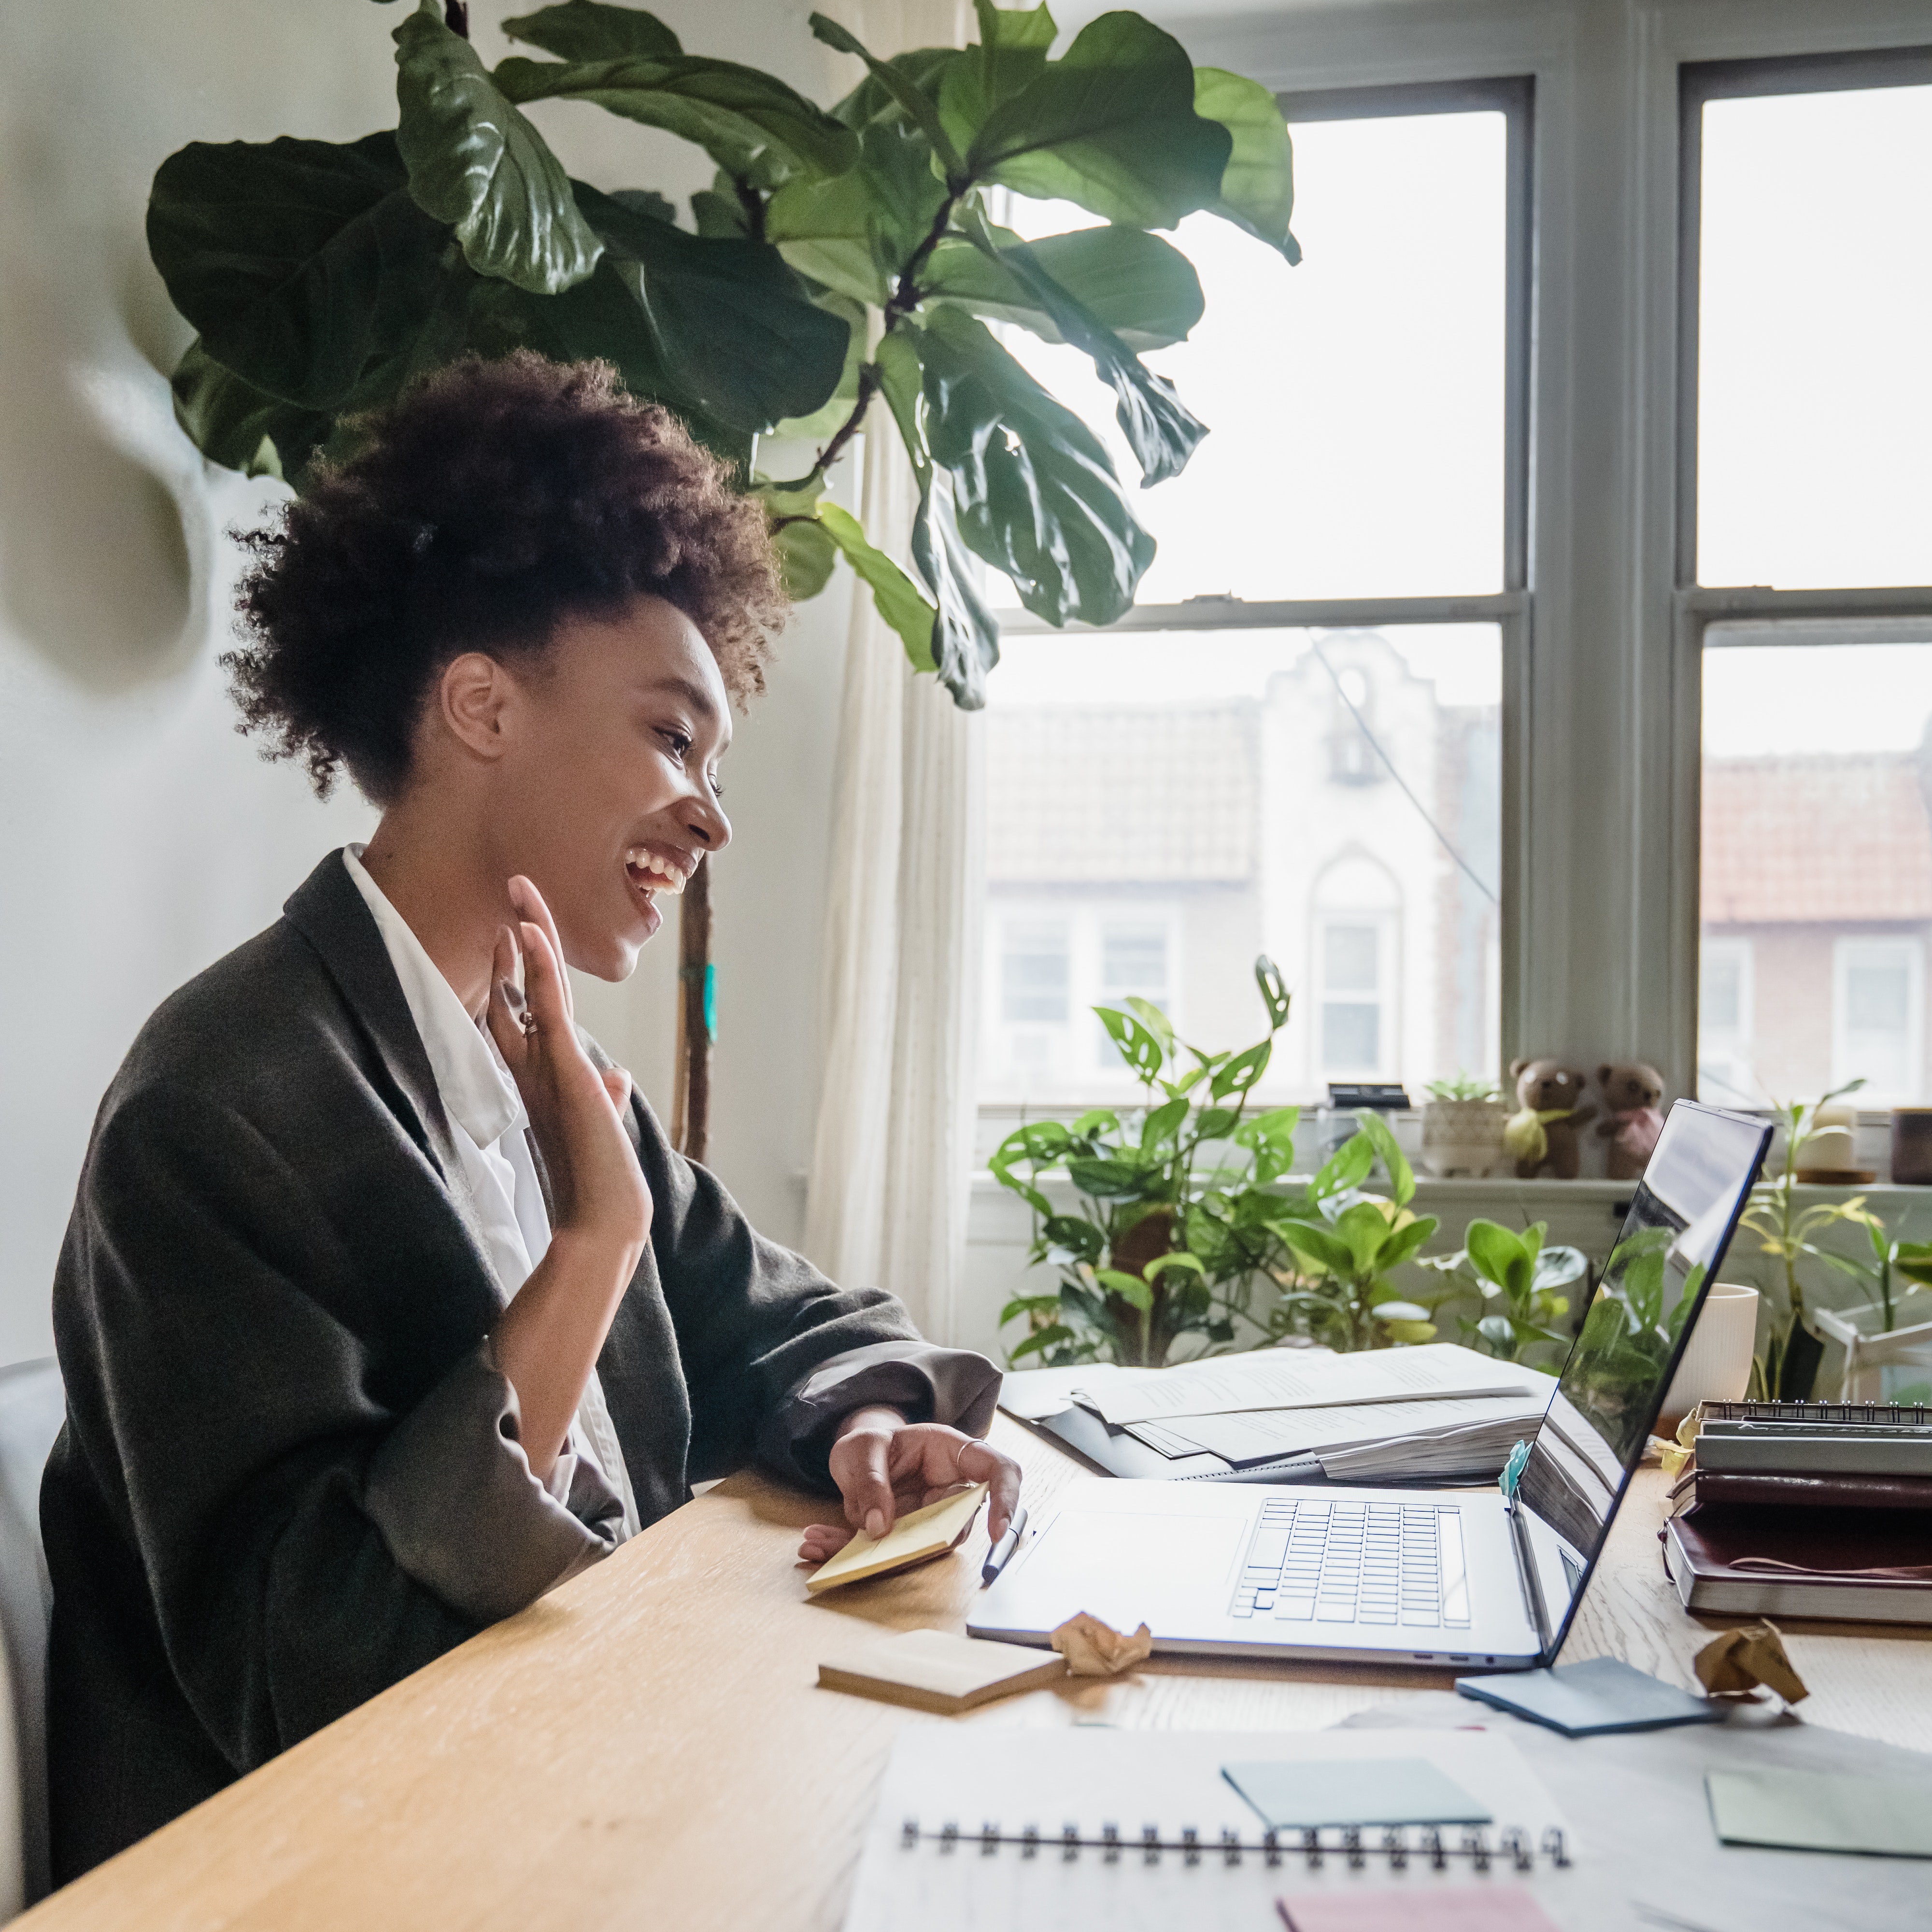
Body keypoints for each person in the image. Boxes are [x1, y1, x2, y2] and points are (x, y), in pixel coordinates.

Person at [42, 354, 1019, 1882]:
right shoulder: (218, 1109)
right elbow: (310, 1672)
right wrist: (587, 1252)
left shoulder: (539, 1067)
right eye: (672, 736)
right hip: (326, 1877)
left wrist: (873, 1427)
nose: (711, 813)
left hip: (581, 1781)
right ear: (481, 707)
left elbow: (796, 1323)